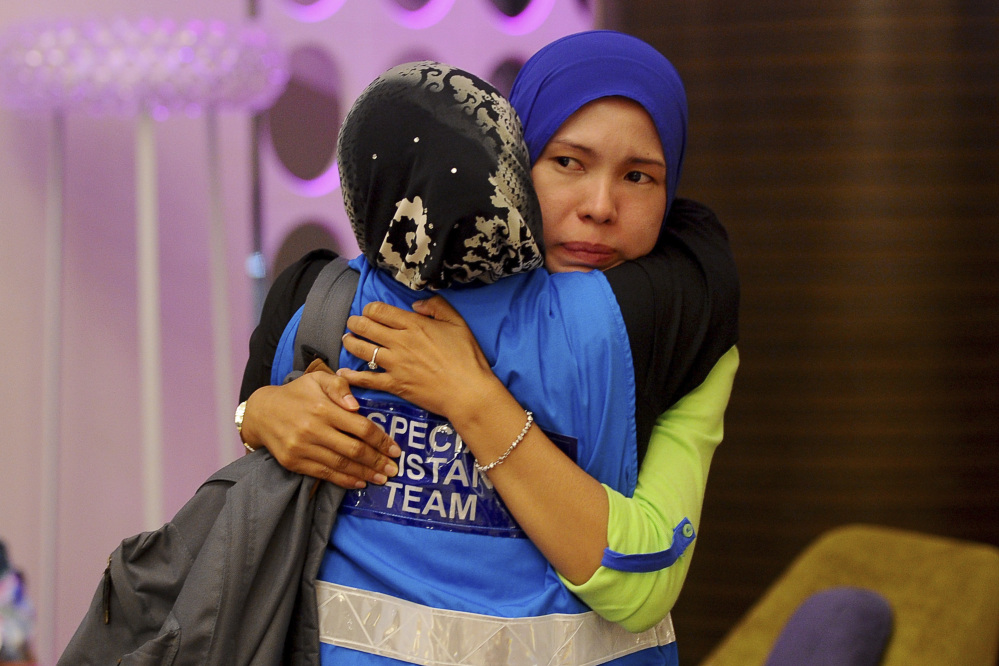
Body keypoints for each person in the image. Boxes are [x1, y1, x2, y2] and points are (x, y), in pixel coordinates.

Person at [239, 32, 739, 664]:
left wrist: (472, 395)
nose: (600, 207)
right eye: (568, 163)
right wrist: (259, 414)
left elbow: (641, 586)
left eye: (639, 176)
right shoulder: (358, 295)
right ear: (510, 163)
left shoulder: (679, 325)